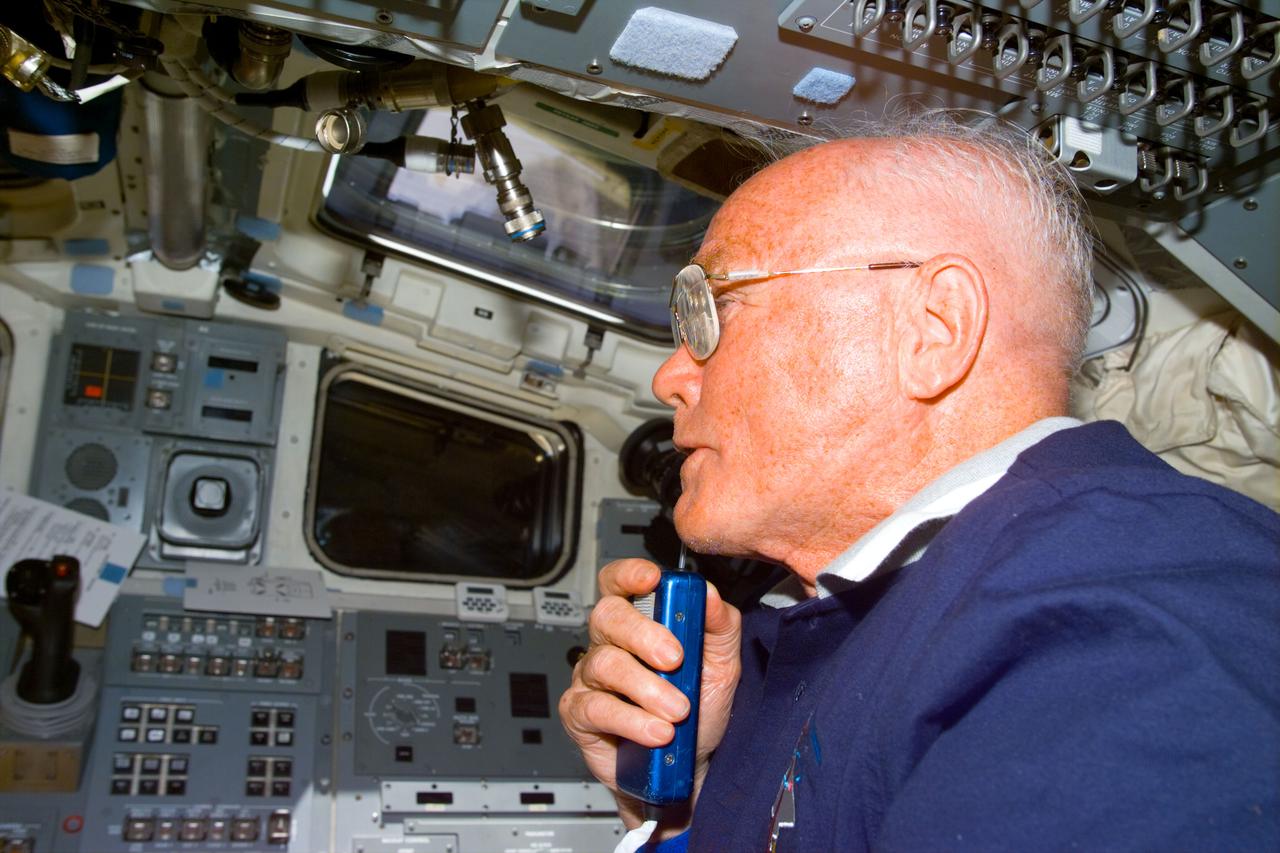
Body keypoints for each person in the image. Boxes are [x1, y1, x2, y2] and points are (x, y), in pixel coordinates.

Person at [558, 113, 1280, 852]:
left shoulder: (1117, 635)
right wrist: (689, 808)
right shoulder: (862, 615)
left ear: (936, 327)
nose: (671, 376)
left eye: (716, 307)